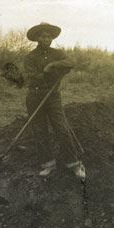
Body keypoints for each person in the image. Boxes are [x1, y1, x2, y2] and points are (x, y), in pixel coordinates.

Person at [23, 22, 85, 179]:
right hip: (35, 96)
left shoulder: (57, 53)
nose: (47, 39)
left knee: (62, 128)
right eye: (43, 36)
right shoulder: (30, 57)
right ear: (37, 38)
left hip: (53, 97)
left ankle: (74, 164)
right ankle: (48, 164)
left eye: (49, 36)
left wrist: (52, 65)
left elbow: (71, 62)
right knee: (40, 131)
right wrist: (47, 74)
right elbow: (30, 77)